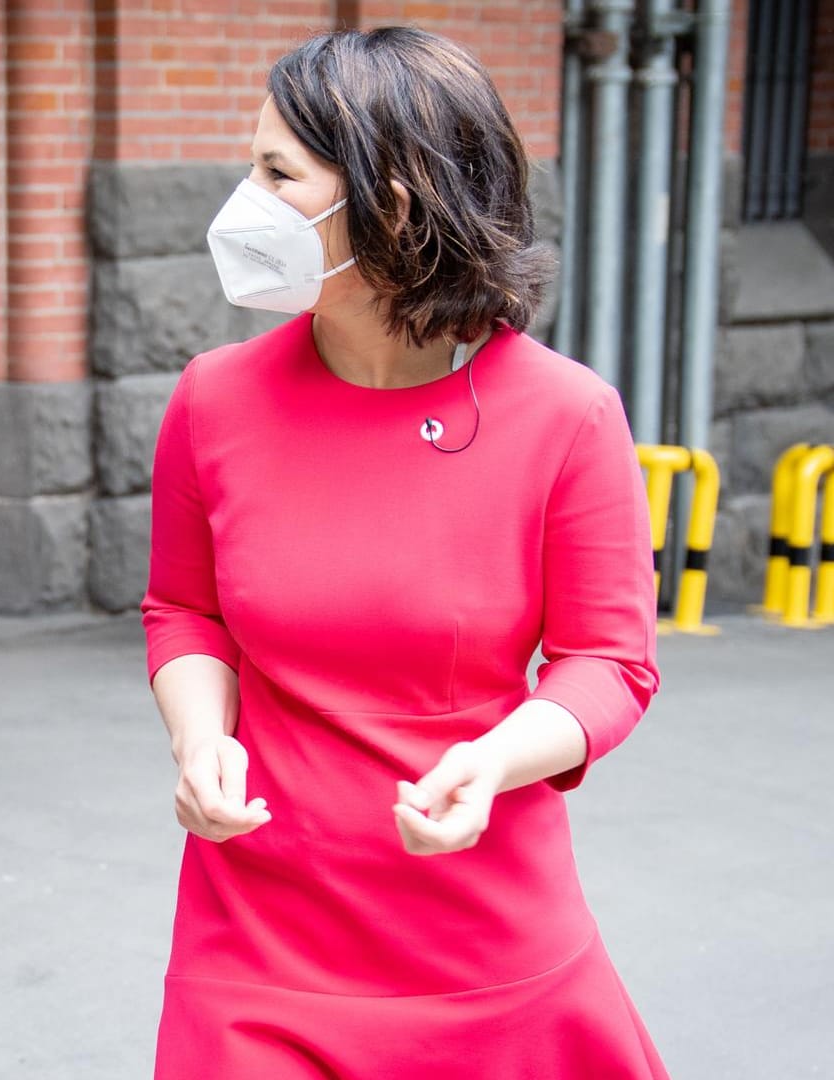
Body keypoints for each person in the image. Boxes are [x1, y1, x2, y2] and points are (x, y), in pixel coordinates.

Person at [142, 28, 665, 1079]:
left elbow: (610, 662)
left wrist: (498, 759)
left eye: (276, 172)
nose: (241, 200)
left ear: (392, 199)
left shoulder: (567, 416)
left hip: (485, 935)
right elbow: (183, 611)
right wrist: (199, 739)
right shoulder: (213, 398)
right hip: (256, 930)